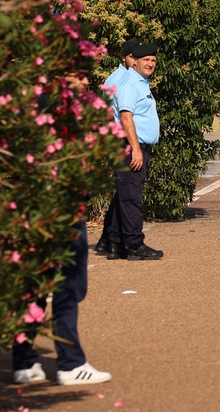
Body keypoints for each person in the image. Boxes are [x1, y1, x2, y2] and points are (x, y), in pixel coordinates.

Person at [13, 72, 112, 386]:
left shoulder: (33, 107)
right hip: (60, 209)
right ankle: (71, 363)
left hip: (36, 211)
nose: (85, 81)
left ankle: (25, 361)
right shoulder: (58, 112)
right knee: (68, 285)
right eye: (78, 75)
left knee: (37, 286)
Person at [105, 42, 164, 261]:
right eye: (146, 60)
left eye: (153, 60)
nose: (150, 64)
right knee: (132, 199)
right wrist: (136, 150)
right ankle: (134, 245)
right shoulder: (130, 83)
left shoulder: (140, 82)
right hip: (131, 147)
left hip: (134, 146)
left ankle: (116, 243)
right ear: (134, 61)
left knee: (125, 195)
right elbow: (126, 117)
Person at [94, 37, 140, 256]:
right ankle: (111, 240)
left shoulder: (126, 78)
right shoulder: (120, 79)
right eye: (132, 56)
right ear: (124, 57)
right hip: (120, 138)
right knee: (125, 191)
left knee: (122, 191)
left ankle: (107, 240)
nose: (135, 60)